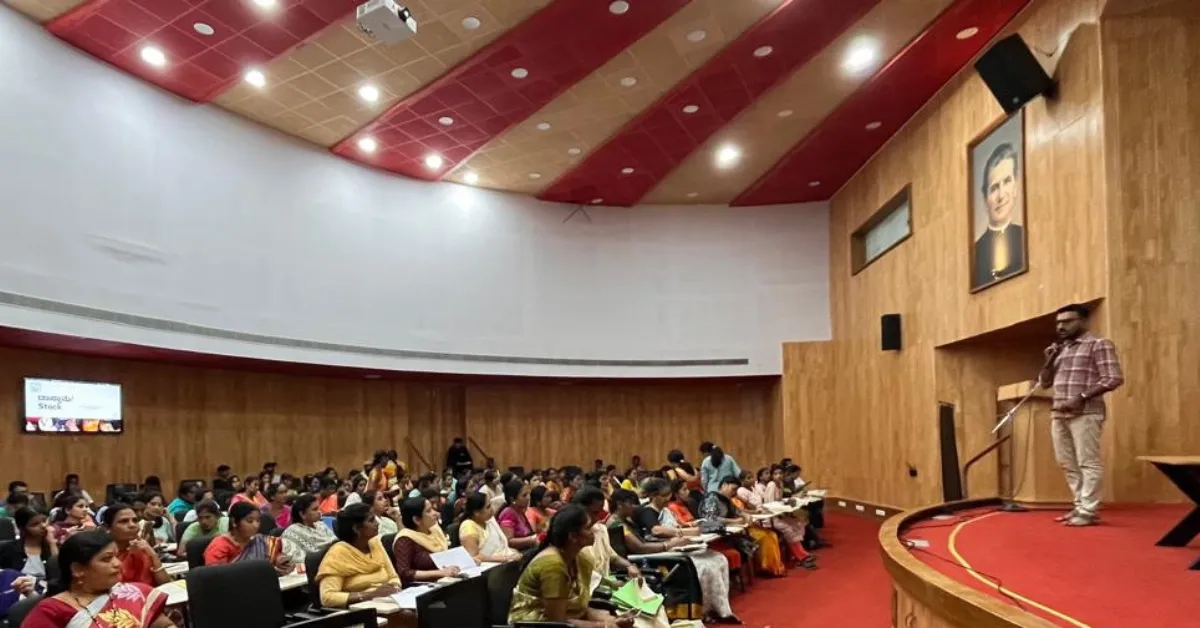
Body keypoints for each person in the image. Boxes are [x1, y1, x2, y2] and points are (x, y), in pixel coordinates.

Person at [1038, 303, 1125, 527]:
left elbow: (1113, 378)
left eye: (1067, 321)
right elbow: (1045, 383)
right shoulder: (1061, 350)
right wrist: (1048, 360)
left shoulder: (1098, 344)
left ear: (1084, 321)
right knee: (1066, 462)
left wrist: (1082, 396)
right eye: (1058, 323)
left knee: (1088, 462)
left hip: (1086, 412)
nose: (1061, 326)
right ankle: (1079, 505)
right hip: (1058, 413)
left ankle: (1088, 510)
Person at [507, 504, 633, 627]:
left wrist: (611, 620)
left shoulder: (581, 558)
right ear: (573, 537)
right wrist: (605, 625)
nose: (593, 531)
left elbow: (578, 609)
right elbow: (558, 622)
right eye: (588, 528)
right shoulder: (552, 565)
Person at [21, 530, 174, 627]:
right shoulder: (51, 610)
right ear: (78, 570)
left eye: (116, 556)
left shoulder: (133, 593)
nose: (118, 564)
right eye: (107, 559)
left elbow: (165, 625)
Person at [634, 479, 737, 623]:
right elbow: (656, 530)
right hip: (665, 551)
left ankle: (718, 607)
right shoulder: (647, 511)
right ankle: (701, 609)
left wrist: (689, 528)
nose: (667, 499)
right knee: (705, 567)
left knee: (718, 558)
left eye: (668, 495)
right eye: (663, 496)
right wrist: (683, 533)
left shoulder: (665, 510)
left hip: (679, 546)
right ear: (654, 495)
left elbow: (678, 525)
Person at [316, 503, 402, 608]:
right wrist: (370, 595)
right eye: (371, 520)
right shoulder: (338, 553)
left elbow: (393, 577)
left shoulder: (375, 543)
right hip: (359, 610)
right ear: (356, 528)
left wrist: (394, 588)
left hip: (389, 602)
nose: (377, 523)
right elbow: (327, 597)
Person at [703, 476, 788, 576]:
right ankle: (769, 568)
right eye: (733, 489)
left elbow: (738, 511)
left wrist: (745, 515)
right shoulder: (711, 499)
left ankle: (773, 568)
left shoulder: (727, 500)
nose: (734, 493)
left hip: (736, 530)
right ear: (724, 485)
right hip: (721, 534)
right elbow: (710, 519)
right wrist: (733, 521)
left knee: (771, 534)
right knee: (766, 537)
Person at [972, 142, 1026, 289]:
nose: (1001, 195)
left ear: (1015, 187)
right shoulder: (975, 253)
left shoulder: (1027, 237)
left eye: (1007, 182)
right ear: (985, 197)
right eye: (994, 188)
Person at [735, 472, 814, 568]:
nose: (752, 479)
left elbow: (765, 500)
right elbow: (748, 508)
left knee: (796, 523)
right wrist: (758, 510)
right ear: (742, 481)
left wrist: (780, 487)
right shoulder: (741, 491)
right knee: (787, 528)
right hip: (759, 519)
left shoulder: (754, 488)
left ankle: (798, 553)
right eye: (748, 478)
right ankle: (801, 557)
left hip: (768, 513)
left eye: (752, 477)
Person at [202, 502, 291, 574]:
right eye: (250, 521)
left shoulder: (259, 541)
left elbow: (275, 554)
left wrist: (280, 561)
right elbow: (216, 576)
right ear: (234, 522)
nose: (256, 525)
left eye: (258, 520)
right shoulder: (219, 545)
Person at [391, 497, 459, 587]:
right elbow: (405, 572)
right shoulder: (405, 539)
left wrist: (468, 560)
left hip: (448, 579)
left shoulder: (435, 529)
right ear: (417, 520)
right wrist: (440, 573)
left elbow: (447, 554)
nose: (435, 513)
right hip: (426, 586)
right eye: (429, 511)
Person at [101, 504, 171, 587]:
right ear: (107, 528)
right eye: (124, 521)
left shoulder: (142, 548)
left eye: (135, 520)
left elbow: (166, 585)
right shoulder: (102, 556)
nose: (132, 525)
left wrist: (153, 556)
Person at [0, 506, 60, 593]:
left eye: (44, 520)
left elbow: (58, 574)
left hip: (46, 594)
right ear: (23, 528)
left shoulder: (53, 547)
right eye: (35, 524)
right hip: (18, 594)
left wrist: (52, 544)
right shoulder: (8, 549)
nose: (43, 526)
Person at [458, 493, 519, 563]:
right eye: (488, 507)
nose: (492, 508)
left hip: (503, 560)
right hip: (488, 567)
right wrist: (504, 558)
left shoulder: (488, 520)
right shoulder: (468, 527)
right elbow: (474, 556)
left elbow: (502, 546)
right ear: (476, 512)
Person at [281, 494, 336, 564]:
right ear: (302, 514)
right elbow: (295, 558)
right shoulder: (291, 532)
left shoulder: (321, 525)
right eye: (315, 509)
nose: (319, 512)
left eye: (319, 508)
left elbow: (335, 542)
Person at [496, 480, 540, 551]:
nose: (528, 497)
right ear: (512, 499)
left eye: (528, 493)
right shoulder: (508, 513)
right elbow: (508, 541)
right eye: (524, 495)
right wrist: (532, 539)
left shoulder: (519, 510)